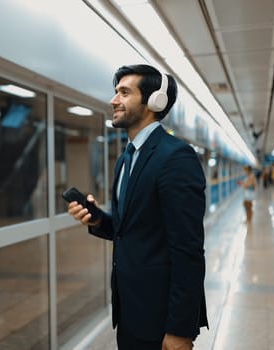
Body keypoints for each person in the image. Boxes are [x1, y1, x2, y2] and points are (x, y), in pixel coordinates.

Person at [68, 64, 208, 349]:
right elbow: (129, 230)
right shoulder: (126, 159)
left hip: (161, 318)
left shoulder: (176, 157)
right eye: (115, 92)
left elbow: (187, 249)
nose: (113, 100)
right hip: (129, 310)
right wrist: (98, 221)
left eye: (124, 92)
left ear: (153, 102)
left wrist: (180, 328)